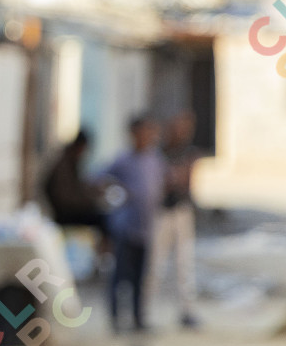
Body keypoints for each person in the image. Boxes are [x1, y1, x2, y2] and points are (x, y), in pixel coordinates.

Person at [99, 116, 164, 333]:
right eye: (143, 132)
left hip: (146, 228)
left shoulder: (155, 159)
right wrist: (116, 195)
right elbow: (99, 178)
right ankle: (117, 319)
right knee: (120, 277)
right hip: (125, 228)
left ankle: (138, 319)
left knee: (141, 278)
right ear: (133, 134)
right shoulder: (123, 160)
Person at [153, 112, 202, 330]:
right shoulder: (158, 153)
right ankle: (146, 312)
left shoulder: (189, 153)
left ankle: (187, 310)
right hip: (161, 213)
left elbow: (185, 181)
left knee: (185, 264)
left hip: (181, 212)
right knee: (155, 263)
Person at [42, 131, 108, 235]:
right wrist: (90, 202)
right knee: (101, 219)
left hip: (68, 210)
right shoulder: (63, 165)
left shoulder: (72, 162)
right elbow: (66, 198)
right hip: (64, 214)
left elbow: (78, 188)